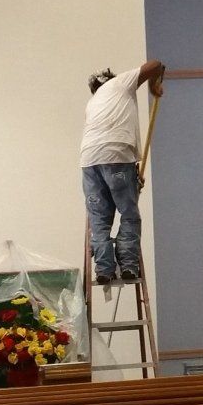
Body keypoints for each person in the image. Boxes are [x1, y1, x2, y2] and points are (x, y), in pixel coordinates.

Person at [81, 59, 164, 284]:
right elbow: (156, 64)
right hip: (117, 156)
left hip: (89, 161)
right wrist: (154, 84)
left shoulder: (93, 103)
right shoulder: (119, 83)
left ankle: (105, 270)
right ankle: (128, 265)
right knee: (128, 213)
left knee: (99, 218)